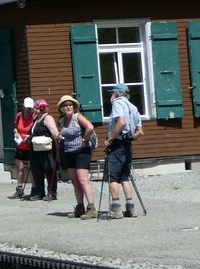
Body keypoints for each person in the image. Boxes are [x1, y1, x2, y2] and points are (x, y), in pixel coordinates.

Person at [105, 83, 143, 219]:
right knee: (125, 176)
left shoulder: (117, 103)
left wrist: (110, 139)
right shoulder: (133, 107)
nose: (111, 95)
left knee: (112, 176)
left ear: (117, 93)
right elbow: (140, 132)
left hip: (117, 143)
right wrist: (130, 137)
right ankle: (130, 207)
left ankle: (116, 208)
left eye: (112, 92)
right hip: (127, 144)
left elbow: (121, 122)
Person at [57, 94, 97, 219]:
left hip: (82, 151)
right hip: (69, 152)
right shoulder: (62, 120)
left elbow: (90, 127)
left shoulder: (77, 117)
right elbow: (62, 133)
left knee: (83, 179)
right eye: (65, 105)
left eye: (70, 105)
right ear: (62, 108)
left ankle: (91, 208)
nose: (68, 107)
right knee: (74, 181)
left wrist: (85, 140)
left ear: (74, 106)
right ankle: (80, 207)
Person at [27, 98, 61, 201]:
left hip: (45, 149)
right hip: (36, 149)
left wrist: (58, 136)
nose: (33, 109)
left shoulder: (47, 118)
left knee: (49, 170)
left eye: (34, 107)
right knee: (37, 171)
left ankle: (52, 192)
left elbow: (53, 130)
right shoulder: (36, 118)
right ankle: (40, 192)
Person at [9, 96, 35, 199]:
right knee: (19, 168)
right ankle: (19, 190)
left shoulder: (34, 117)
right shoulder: (19, 115)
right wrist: (15, 131)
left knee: (32, 169)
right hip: (20, 145)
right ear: (23, 107)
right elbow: (15, 126)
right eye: (27, 108)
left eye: (30, 108)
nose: (29, 110)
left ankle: (34, 189)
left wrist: (30, 137)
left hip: (30, 146)